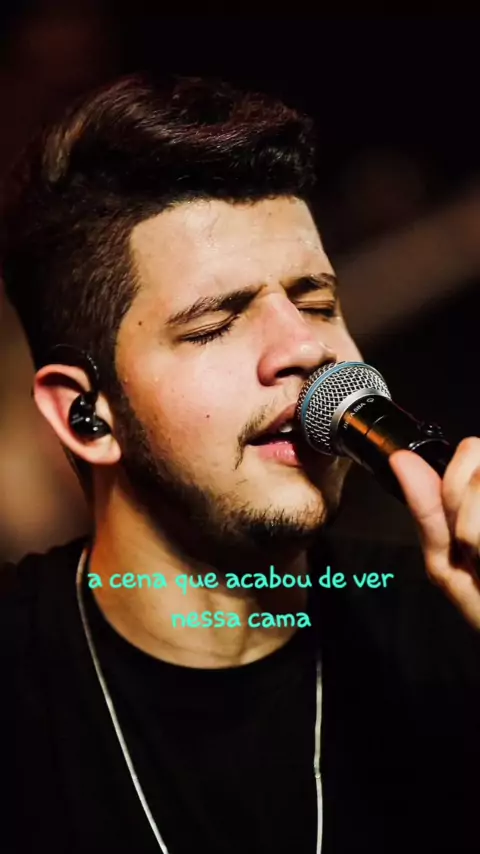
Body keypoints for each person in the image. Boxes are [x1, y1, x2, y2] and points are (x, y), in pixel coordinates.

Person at [1, 73, 480, 854]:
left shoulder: (452, 630)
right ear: (88, 415)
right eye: (215, 324)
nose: (306, 349)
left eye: (318, 304)